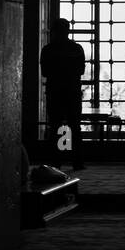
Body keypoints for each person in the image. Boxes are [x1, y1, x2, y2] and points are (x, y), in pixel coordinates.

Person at [40, 17, 86, 171]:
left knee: (55, 127)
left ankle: (56, 161)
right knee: (75, 127)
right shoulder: (77, 48)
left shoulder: (47, 50)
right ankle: (77, 161)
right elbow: (81, 71)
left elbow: (45, 72)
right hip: (72, 91)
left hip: (54, 92)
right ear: (68, 30)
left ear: (53, 31)